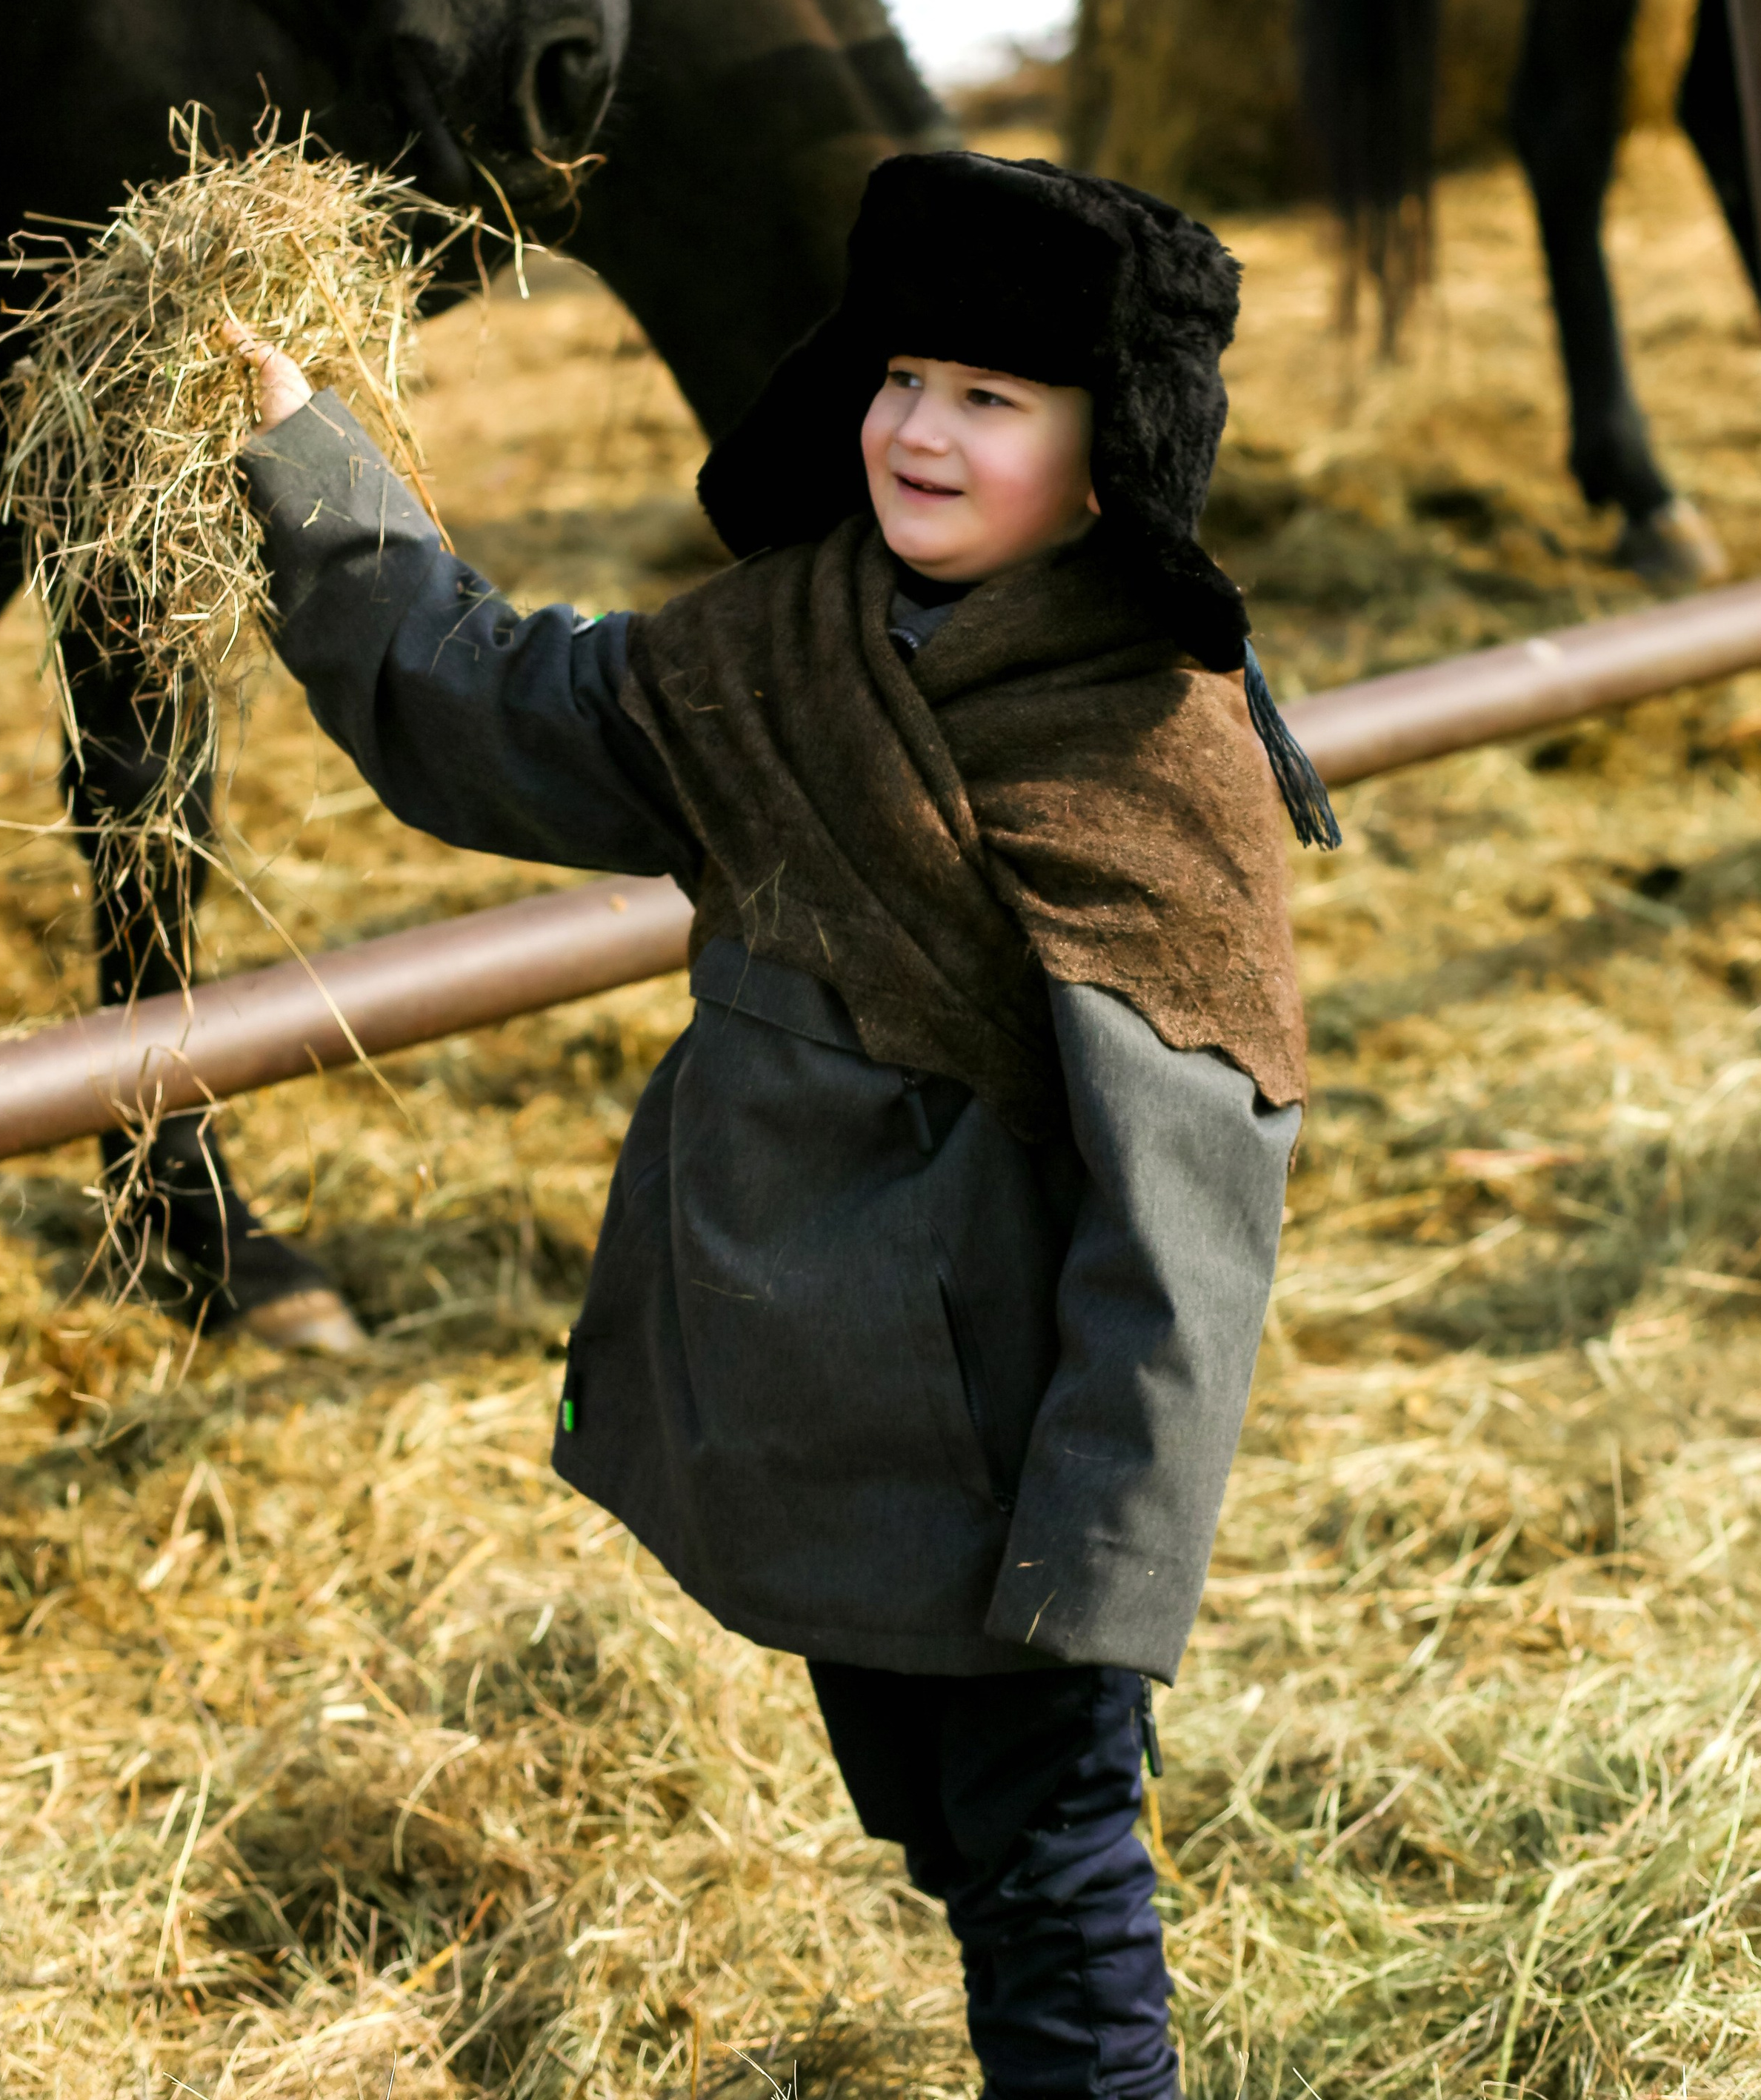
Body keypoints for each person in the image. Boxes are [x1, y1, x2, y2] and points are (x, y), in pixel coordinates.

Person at [227, 150, 1334, 2100]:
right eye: (906, 374)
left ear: (1111, 459)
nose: (919, 429)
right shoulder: (779, 654)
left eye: (994, 399)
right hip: (814, 1421)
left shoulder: (1149, 759)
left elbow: (1185, 1239)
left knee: (1056, 1878)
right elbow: (485, 703)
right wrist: (308, 459)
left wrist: (1101, 1574)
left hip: (1007, 1467)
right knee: (950, 1839)